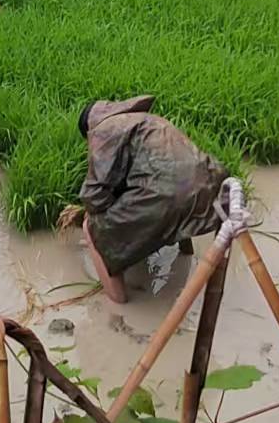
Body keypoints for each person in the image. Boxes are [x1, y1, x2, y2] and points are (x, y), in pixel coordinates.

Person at [69, 96, 225, 303]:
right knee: (173, 197)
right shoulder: (148, 120)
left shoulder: (104, 130)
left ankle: (117, 302)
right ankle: (185, 254)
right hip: (211, 185)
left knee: (93, 226)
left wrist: (98, 213)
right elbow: (173, 167)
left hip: (166, 197)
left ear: (88, 129)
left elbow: (94, 194)